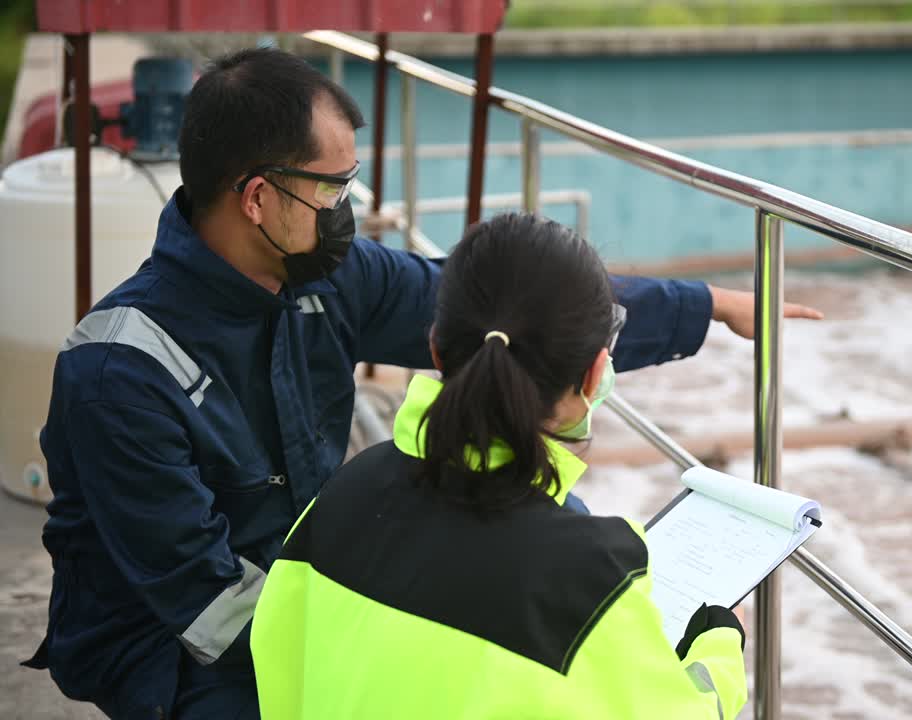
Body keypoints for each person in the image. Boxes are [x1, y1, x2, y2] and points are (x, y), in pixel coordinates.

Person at [22, 47, 820, 719]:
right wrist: (416, 648)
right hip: (173, 650)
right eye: (331, 188)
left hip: (315, 587)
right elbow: (208, 612)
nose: (349, 210)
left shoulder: (324, 279)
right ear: (258, 199)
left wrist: (707, 306)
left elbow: (515, 313)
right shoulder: (119, 374)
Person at [251, 212, 748, 719]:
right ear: (596, 373)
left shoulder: (338, 499)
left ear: (436, 350)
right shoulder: (590, 581)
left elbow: (279, 677)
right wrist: (720, 647)